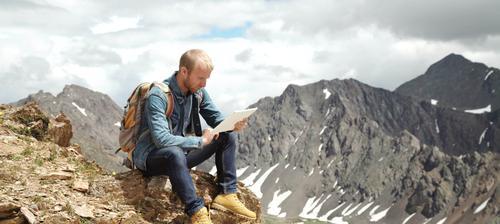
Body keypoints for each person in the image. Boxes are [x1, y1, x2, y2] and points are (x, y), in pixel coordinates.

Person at [132, 49, 256, 223]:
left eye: (206, 79)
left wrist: (232, 125)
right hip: (152, 159)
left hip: (180, 157)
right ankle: (197, 212)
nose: (204, 84)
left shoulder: (198, 93)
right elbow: (162, 140)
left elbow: (216, 119)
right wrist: (200, 141)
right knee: (173, 152)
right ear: (184, 71)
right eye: (200, 78)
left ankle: (227, 194)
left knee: (226, 137)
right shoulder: (158, 95)